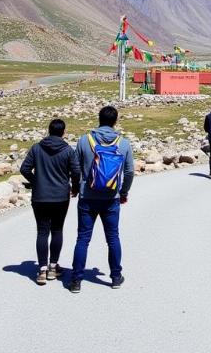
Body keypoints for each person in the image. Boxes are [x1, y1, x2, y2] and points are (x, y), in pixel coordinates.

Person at [69, 105, 134, 294]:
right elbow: (129, 171)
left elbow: (75, 168)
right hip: (111, 198)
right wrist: (123, 192)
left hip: (87, 197)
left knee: (83, 238)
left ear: (99, 119)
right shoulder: (124, 143)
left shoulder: (84, 140)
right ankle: (115, 277)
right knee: (113, 238)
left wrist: (77, 187)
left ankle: (76, 280)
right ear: (115, 121)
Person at [20, 118, 80, 285]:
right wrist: (75, 188)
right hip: (61, 196)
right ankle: (53, 267)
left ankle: (42, 270)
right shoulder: (68, 150)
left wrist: (35, 181)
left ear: (49, 130)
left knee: (42, 232)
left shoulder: (37, 148)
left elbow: (24, 168)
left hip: (40, 196)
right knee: (57, 230)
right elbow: (76, 171)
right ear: (63, 132)